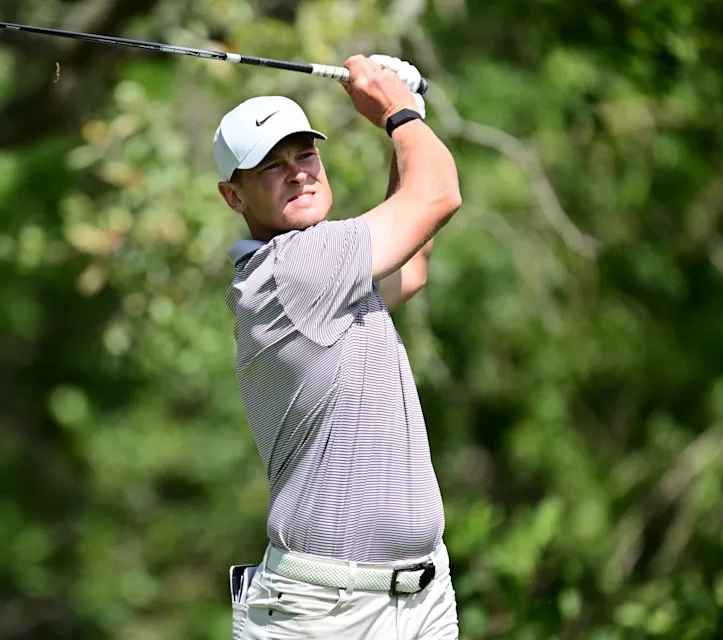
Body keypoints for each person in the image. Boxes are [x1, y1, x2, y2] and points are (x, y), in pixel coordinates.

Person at [215, 54, 462, 639]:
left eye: (305, 154)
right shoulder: (298, 266)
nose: (298, 172)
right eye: (271, 167)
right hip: (326, 614)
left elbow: (413, 265)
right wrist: (397, 110)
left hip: (422, 594)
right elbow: (440, 194)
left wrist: (411, 114)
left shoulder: (328, 274)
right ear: (235, 197)